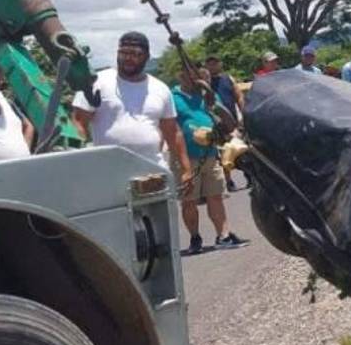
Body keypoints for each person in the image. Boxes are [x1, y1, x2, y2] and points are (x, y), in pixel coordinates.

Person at [71, 32, 193, 193]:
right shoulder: (96, 82)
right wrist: (78, 162)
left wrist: (186, 168)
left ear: (147, 57)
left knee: (160, 218)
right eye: (124, 53)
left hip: (153, 173)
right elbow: (78, 123)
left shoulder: (160, 88)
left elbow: (172, 131)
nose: (128, 58)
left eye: (135, 54)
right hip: (109, 175)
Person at [171, 65, 249, 254]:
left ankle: (223, 235)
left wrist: (211, 97)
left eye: (198, 76)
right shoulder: (172, 98)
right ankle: (195, 238)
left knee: (216, 196)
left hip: (210, 154)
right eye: (190, 76)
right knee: (189, 200)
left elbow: (227, 121)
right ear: (181, 77)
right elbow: (167, 126)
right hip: (186, 158)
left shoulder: (207, 95)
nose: (194, 80)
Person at [205, 55, 243, 191]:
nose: (212, 66)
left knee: (240, 149)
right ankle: (228, 181)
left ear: (220, 64)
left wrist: (243, 113)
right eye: (209, 64)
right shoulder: (205, 82)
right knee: (223, 153)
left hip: (232, 120)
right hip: (215, 122)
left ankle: (249, 176)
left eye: (215, 63)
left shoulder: (228, 79)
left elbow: (238, 95)